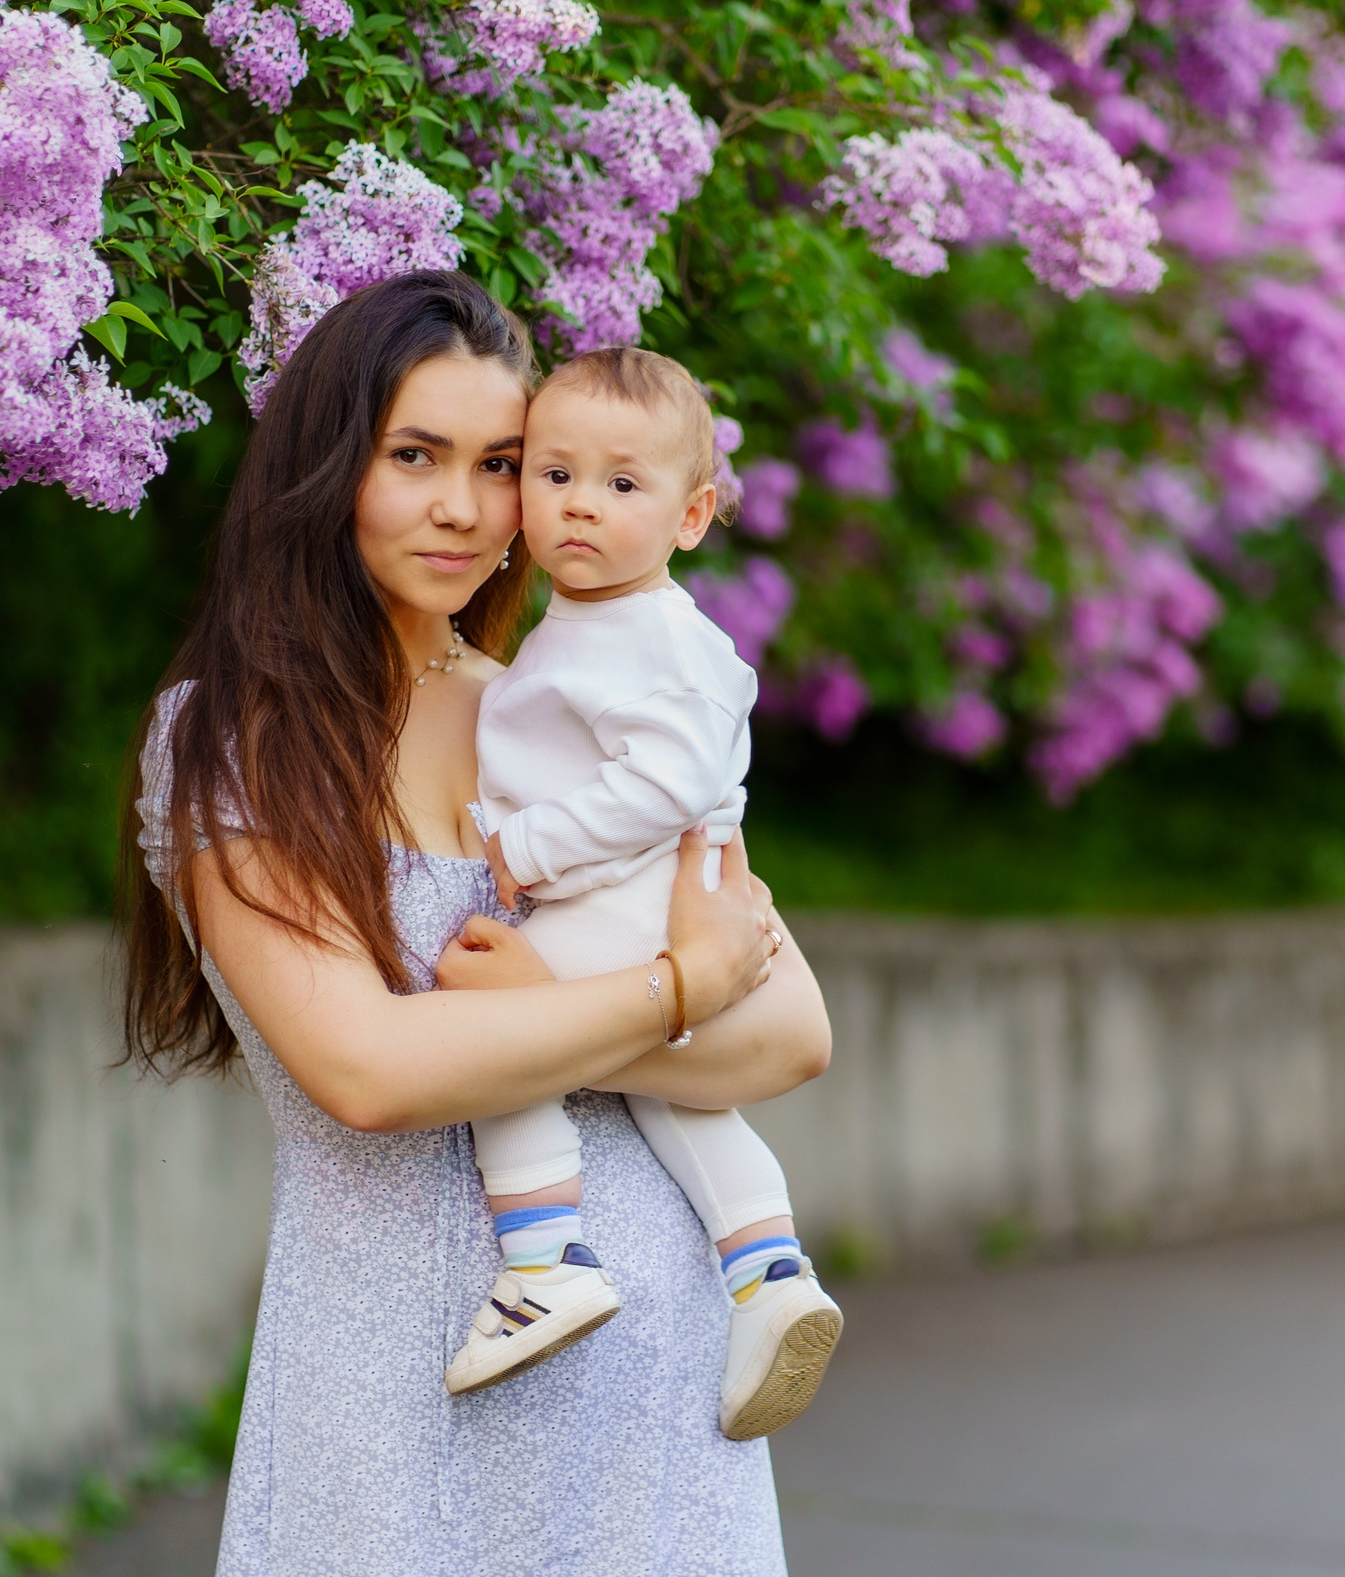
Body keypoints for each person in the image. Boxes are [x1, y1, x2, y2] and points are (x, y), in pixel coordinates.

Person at [123, 269, 826, 1575]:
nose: (463, 505)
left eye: (501, 461)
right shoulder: (234, 737)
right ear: (327, 469)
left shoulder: (561, 709)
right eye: (413, 455)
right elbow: (370, 1069)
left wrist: (596, 1003)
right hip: (402, 1401)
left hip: (663, 1412)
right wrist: (673, 992)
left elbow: (786, 1029)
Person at [447, 346, 842, 1444]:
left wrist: (531, 847)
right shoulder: (596, 624)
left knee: (493, 1027)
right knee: (683, 1096)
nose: (579, 507)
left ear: (692, 514)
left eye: (623, 485)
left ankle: (542, 1259)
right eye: (554, 475)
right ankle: (770, 1275)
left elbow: (667, 784)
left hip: (621, 896)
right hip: (650, 902)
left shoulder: (652, 635)